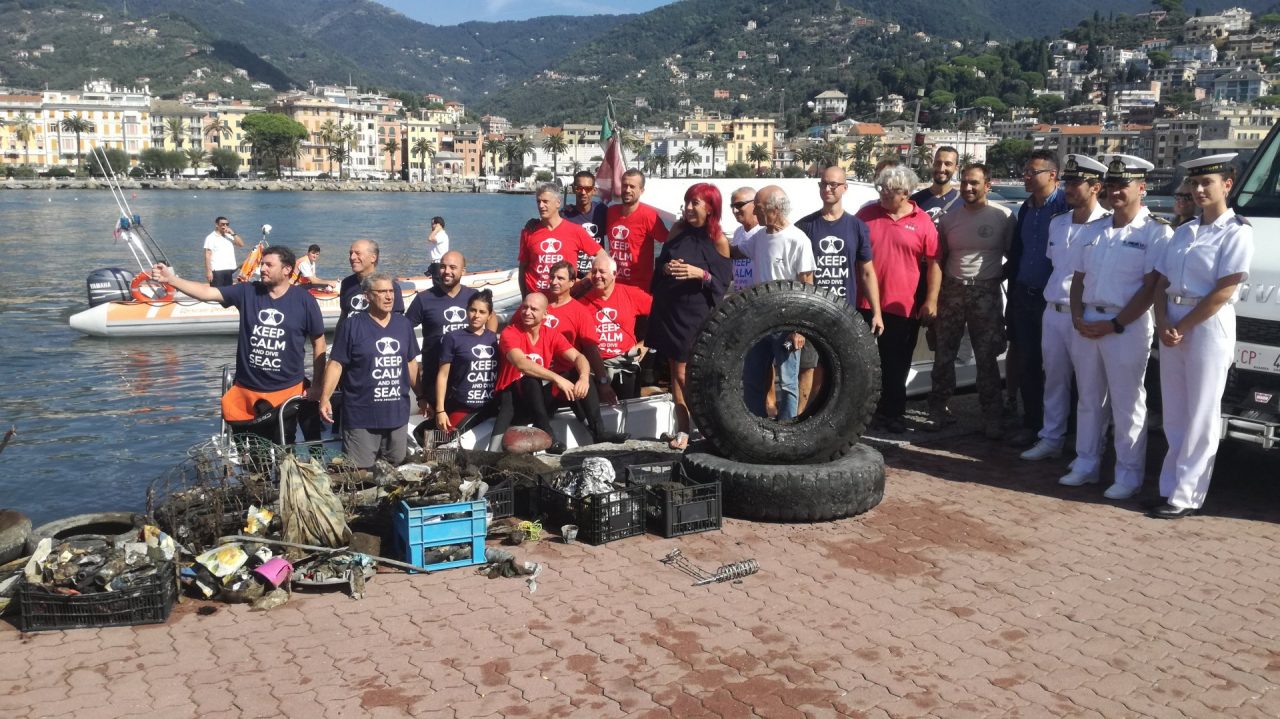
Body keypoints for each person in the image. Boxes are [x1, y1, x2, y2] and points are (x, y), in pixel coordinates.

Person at [1061, 154, 1171, 501]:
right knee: (1089, 399)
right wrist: (1078, 316)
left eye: (1123, 185)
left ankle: (1128, 474)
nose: (1115, 192)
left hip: (1127, 326)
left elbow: (1152, 287)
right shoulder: (1094, 229)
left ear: (1142, 187)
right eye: (1110, 185)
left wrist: (1115, 324)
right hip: (1088, 321)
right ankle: (1086, 463)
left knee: (1127, 403)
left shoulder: (1156, 231)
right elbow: (1078, 278)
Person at [1150, 154, 1253, 519]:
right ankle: (1169, 487)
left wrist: (1183, 324)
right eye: (1193, 183)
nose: (1197, 190)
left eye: (1206, 182)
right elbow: (1161, 283)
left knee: (1201, 413)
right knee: (1174, 411)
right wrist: (1163, 321)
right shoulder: (1183, 231)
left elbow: (1225, 289)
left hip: (1208, 324)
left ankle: (1188, 494)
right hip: (1174, 320)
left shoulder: (1237, 231)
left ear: (1227, 184)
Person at [150, 247, 326, 439]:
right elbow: (206, 292)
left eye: (269, 265)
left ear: (286, 270)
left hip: (286, 391)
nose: (262, 269)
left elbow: (319, 343)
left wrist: (317, 385)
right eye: (262, 264)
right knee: (251, 453)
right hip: (247, 390)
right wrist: (172, 280)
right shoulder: (247, 291)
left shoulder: (304, 300)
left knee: (284, 446)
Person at [1021, 154, 1111, 462]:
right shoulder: (1057, 224)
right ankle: (1051, 437)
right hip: (1053, 311)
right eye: (1068, 182)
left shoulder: (1107, 226)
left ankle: (1090, 449)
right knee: (1054, 381)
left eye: (1076, 183)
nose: (1069, 188)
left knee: (1089, 388)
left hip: (1086, 314)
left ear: (1096, 187)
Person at [929, 163, 1014, 438]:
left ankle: (991, 416)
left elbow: (1014, 258)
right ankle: (938, 409)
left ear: (987, 185)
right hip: (952, 292)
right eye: (964, 182)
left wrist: (994, 279)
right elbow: (939, 260)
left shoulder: (1004, 217)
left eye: (974, 183)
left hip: (986, 294)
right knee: (944, 355)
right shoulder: (949, 219)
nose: (968, 188)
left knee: (987, 357)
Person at [855, 166, 941, 433]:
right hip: (865, 303)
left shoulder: (923, 220)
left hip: (902, 304)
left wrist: (932, 299)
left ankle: (894, 413)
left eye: (888, 190)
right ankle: (864, 414)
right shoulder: (866, 214)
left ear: (905, 193)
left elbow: (935, 261)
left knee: (898, 362)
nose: (882, 194)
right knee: (865, 362)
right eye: (879, 188)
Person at [648, 183, 733, 449]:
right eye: (686, 202)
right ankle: (683, 429)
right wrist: (667, 268)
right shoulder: (677, 230)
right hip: (671, 309)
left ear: (710, 207)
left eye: (695, 203)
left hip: (696, 314)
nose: (688, 208)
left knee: (687, 374)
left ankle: (706, 429)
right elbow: (659, 265)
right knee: (675, 370)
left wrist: (700, 274)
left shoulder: (718, 239)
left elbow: (723, 282)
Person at [491, 292, 627, 454]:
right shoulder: (510, 333)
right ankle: (548, 435)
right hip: (515, 401)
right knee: (531, 379)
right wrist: (556, 378)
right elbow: (522, 364)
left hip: (539, 401)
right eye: (524, 307)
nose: (527, 312)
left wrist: (583, 378)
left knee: (576, 374)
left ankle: (599, 431)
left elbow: (579, 356)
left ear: (545, 314)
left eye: (534, 309)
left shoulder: (551, 334)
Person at [795, 166, 883, 414]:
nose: (828, 188)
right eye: (824, 184)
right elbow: (796, 273)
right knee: (808, 368)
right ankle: (801, 418)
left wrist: (876, 312)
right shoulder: (805, 226)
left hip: (844, 312)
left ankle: (830, 419)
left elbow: (867, 271)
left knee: (839, 369)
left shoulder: (856, 227)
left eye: (834, 184)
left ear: (845, 188)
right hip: (812, 312)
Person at [318, 273, 420, 468]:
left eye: (391, 291)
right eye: (382, 292)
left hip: (396, 416)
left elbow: (411, 364)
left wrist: (422, 397)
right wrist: (325, 398)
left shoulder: (403, 325)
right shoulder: (352, 325)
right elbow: (336, 364)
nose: (389, 296)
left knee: (396, 471)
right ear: (367, 296)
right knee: (361, 474)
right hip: (361, 417)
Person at [732, 185, 816, 421]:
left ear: (775, 209)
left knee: (788, 382)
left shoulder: (798, 240)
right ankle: (756, 427)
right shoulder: (759, 237)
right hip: (759, 321)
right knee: (752, 378)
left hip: (787, 322)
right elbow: (734, 252)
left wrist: (799, 328)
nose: (755, 213)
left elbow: (806, 285)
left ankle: (787, 428)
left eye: (758, 208)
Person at [1006, 150, 1069, 447]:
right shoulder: (1026, 208)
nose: (1026, 177)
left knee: (1058, 367)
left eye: (1032, 172)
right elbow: (1019, 251)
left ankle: (1064, 429)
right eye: (1025, 171)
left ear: (1052, 175)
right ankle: (1032, 424)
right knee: (1028, 363)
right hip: (1024, 295)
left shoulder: (1066, 207)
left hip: (1053, 299)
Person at [406, 250, 497, 418]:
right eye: (443, 266)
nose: (447, 271)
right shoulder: (424, 299)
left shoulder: (473, 297)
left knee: (461, 427)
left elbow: (491, 317)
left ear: (463, 271)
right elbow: (404, 328)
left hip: (467, 379)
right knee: (436, 433)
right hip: (435, 376)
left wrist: (487, 339)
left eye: (453, 267)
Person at [579, 254, 652, 400]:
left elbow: (662, 314)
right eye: (593, 272)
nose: (597, 275)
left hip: (625, 364)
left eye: (602, 271)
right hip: (595, 367)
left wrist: (647, 343)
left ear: (614, 274)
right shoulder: (582, 303)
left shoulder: (631, 294)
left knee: (630, 412)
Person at [543, 260, 613, 404]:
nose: (554, 282)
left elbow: (591, 349)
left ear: (571, 282)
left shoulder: (580, 311)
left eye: (560, 278)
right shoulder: (536, 304)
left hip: (567, 376)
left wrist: (603, 382)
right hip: (538, 373)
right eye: (552, 277)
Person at [518, 183, 607, 295]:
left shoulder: (575, 230)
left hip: (564, 298)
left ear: (557, 203)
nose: (541, 206)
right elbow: (522, 268)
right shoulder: (529, 232)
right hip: (537, 299)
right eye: (538, 201)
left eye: (545, 201)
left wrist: (587, 280)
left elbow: (602, 255)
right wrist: (524, 298)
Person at [434, 290, 500, 432]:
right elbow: (443, 375)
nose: (476, 315)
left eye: (482, 312)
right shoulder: (452, 337)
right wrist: (440, 410)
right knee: (442, 443)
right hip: (462, 405)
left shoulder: (494, 339)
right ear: (466, 310)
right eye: (473, 310)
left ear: (489, 316)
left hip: (490, 405)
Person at [604, 169, 670, 289]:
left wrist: (664, 266)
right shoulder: (611, 211)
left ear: (641, 190)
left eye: (632, 186)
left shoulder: (649, 215)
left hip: (640, 286)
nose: (627, 190)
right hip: (614, 283)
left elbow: (669, 241)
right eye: (624, 185)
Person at [337, 239, 404, 329]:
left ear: (373, 257)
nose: (352, 257)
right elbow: (344, 316)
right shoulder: (347, 284)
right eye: (351, 253)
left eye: (358, 253)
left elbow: (397, 322)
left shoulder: (390, 287)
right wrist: (338, 341)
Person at [562, 171, 610, 276]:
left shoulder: (602, 211)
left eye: (587, 189)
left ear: (594, 190)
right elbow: (547, 224)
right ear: (574, 189)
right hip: (573, 275)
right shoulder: (564, 215)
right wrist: (533, 223)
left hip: (596, 273)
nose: (583, 192)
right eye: (579, 188)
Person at [910, 146, 961, 223]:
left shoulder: (963, 203)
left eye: (948, 164)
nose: (941, 169)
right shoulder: (915, 201)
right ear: (933, 165)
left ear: (956, 168)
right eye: (938, 163)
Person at [728, 187, 761, 291]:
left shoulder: (764, 231)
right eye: (732, 206)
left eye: (739, 205)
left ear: (755, 204)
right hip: (741, 299)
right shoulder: (738, 232)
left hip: (760, 298)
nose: (734, 210)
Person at [203, 216, 245, 287]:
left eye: (227, 224)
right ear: (216, 225)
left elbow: (241, 244)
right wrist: (209, 272)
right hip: (217, 270)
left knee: (227, 293)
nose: (225, 226)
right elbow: (207, 255)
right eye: (222, 224)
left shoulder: (229, 236)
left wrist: (232, 233)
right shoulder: (210, 238)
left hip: (229, 270)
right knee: (217, 293)